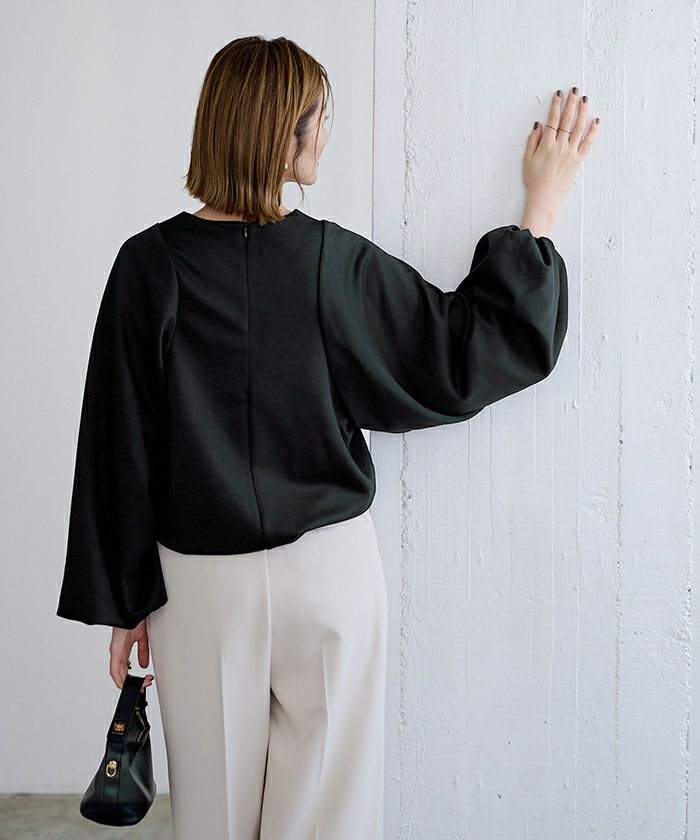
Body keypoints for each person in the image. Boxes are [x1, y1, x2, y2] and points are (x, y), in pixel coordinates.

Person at [55, 34, 597, 840]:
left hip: (200, 590)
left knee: (214, 822)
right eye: (318, 118)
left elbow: (118, 442)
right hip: (329, 577)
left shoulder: (148, 267)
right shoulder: (329, 263)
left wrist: (126, 599)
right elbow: (459, 352)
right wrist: (541, 210)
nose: (325, 134)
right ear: (284, 133)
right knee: (329, 824)